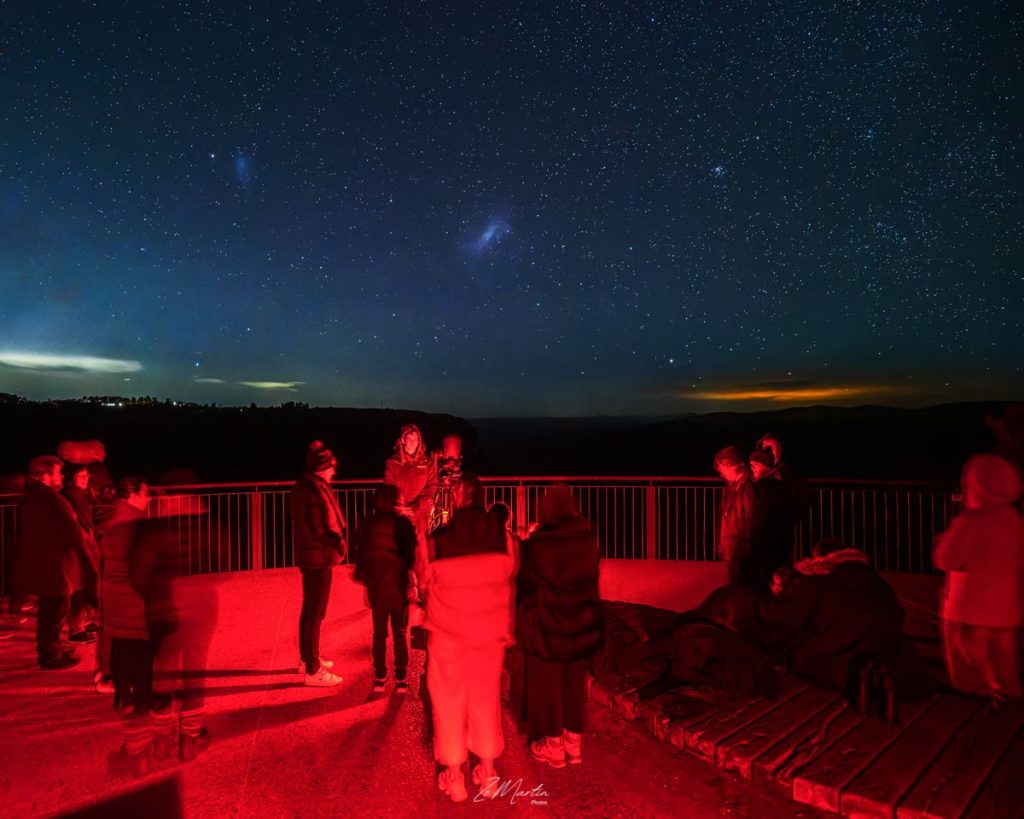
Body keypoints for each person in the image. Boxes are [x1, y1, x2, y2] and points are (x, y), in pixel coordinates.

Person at [424, 474, 514, 802]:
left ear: (456, 499)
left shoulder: (439, 540)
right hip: (489, 635)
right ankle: (488, 774)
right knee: (485, 700)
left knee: (448, 705)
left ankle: (455, 778)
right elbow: (511, 576)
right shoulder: (503, 537)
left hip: (449, 636)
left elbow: (423, 580)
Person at [759, 538, 933, 701]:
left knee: (794, 653)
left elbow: (782, 616)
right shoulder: (873, 580)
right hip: (886, 657)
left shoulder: (816, 582)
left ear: (819, 560)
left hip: (842, 663)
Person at [516, 485, 603, 769]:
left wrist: (529, 541)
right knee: (574, 683)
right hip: (581, 623)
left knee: (549, 686)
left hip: (548, 626)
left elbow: (527, 582)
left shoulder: (541, 543)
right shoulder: (589, 538)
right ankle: (574, 745)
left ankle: (553, 747)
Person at [133, 492, 219, 762]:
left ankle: (162, 737)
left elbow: (137, 575)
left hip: (163, 603)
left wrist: (153, 595)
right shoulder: (205, 528)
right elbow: (224, 564)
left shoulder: (150, 530)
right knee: (196, 667)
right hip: (201, 604)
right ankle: (190, 738)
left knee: (164, 665)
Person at [934, 453, 1024, 703]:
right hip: (1008, 610)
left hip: (968, 611)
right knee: (1006, 671)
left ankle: (980, 728)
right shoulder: (1015, 520)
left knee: (972, 679)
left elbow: (946, 560)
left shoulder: (971, 520)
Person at [12, 455, 97, 669]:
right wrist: (89, 558)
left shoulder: (39, 495)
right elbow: (72, 530)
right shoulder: (47, 498)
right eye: (58, 472)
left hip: (50, 563)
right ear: (45, 475)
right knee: (56, 608)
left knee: (53, 608)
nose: (61, 477)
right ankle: (49, 655)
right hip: (52, 565)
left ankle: (51, 650)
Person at [100, 477, 155, 775]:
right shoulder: (134, 523)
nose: (149, 499)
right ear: (133, 494)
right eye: (146, 493)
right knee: (141, 655)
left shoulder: (113, 518)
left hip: (115, 598)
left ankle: (127, 700)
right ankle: (140, 748)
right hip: (134, 601)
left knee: (122, 649)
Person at [290, 441, 346, 686]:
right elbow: (317, 529)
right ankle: (313, 670)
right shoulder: (313, 491)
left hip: (314, 556)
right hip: (318, 557)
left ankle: (308, 658)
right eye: (331, 467)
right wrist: (338, 542)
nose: (334, 471)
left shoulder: (311, 486)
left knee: (313, 611)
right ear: (323, 468)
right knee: (314, 613)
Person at [353, 483, 417, 694]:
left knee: (379, 633)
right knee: (400, 632)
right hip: (398, 586)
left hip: (377, 588)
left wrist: (365, 581)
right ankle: (401, 679)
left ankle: (380, 677)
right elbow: (410, 557)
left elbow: (361, 555)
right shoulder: (403, 525)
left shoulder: (368, 524)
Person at [63, 464, 101, 642]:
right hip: (78, 545)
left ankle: (83, 623)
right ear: (72, 478)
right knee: (80, 585)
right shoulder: (72, 495)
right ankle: (76, 628)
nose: (85, 480)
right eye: (81, 476)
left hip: (86, 540)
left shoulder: (82, 495)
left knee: (87, 582)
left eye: (87, 476)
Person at [713, 446, 759, 587]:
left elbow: (752, 521)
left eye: (722, 468)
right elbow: (727, 517)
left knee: (741, 587)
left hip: (740, 551)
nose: (721, 473)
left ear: (732, 466)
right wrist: (724, 543)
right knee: (736, 586)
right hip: (733, 549)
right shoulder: (733, 487)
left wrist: (741, 548)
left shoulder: (747, 488)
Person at [384, 424, 437, 542]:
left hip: (421, 515)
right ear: (403, 440)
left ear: (419, 441)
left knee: (420, 547)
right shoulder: (392, 462)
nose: (413, 443)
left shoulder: (427, 463)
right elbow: (389, 488)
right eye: (409, 439)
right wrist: (400, 507)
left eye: (416, 439)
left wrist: (416, 505)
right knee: (400, 546)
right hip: (400, 514)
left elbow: (431, 487)